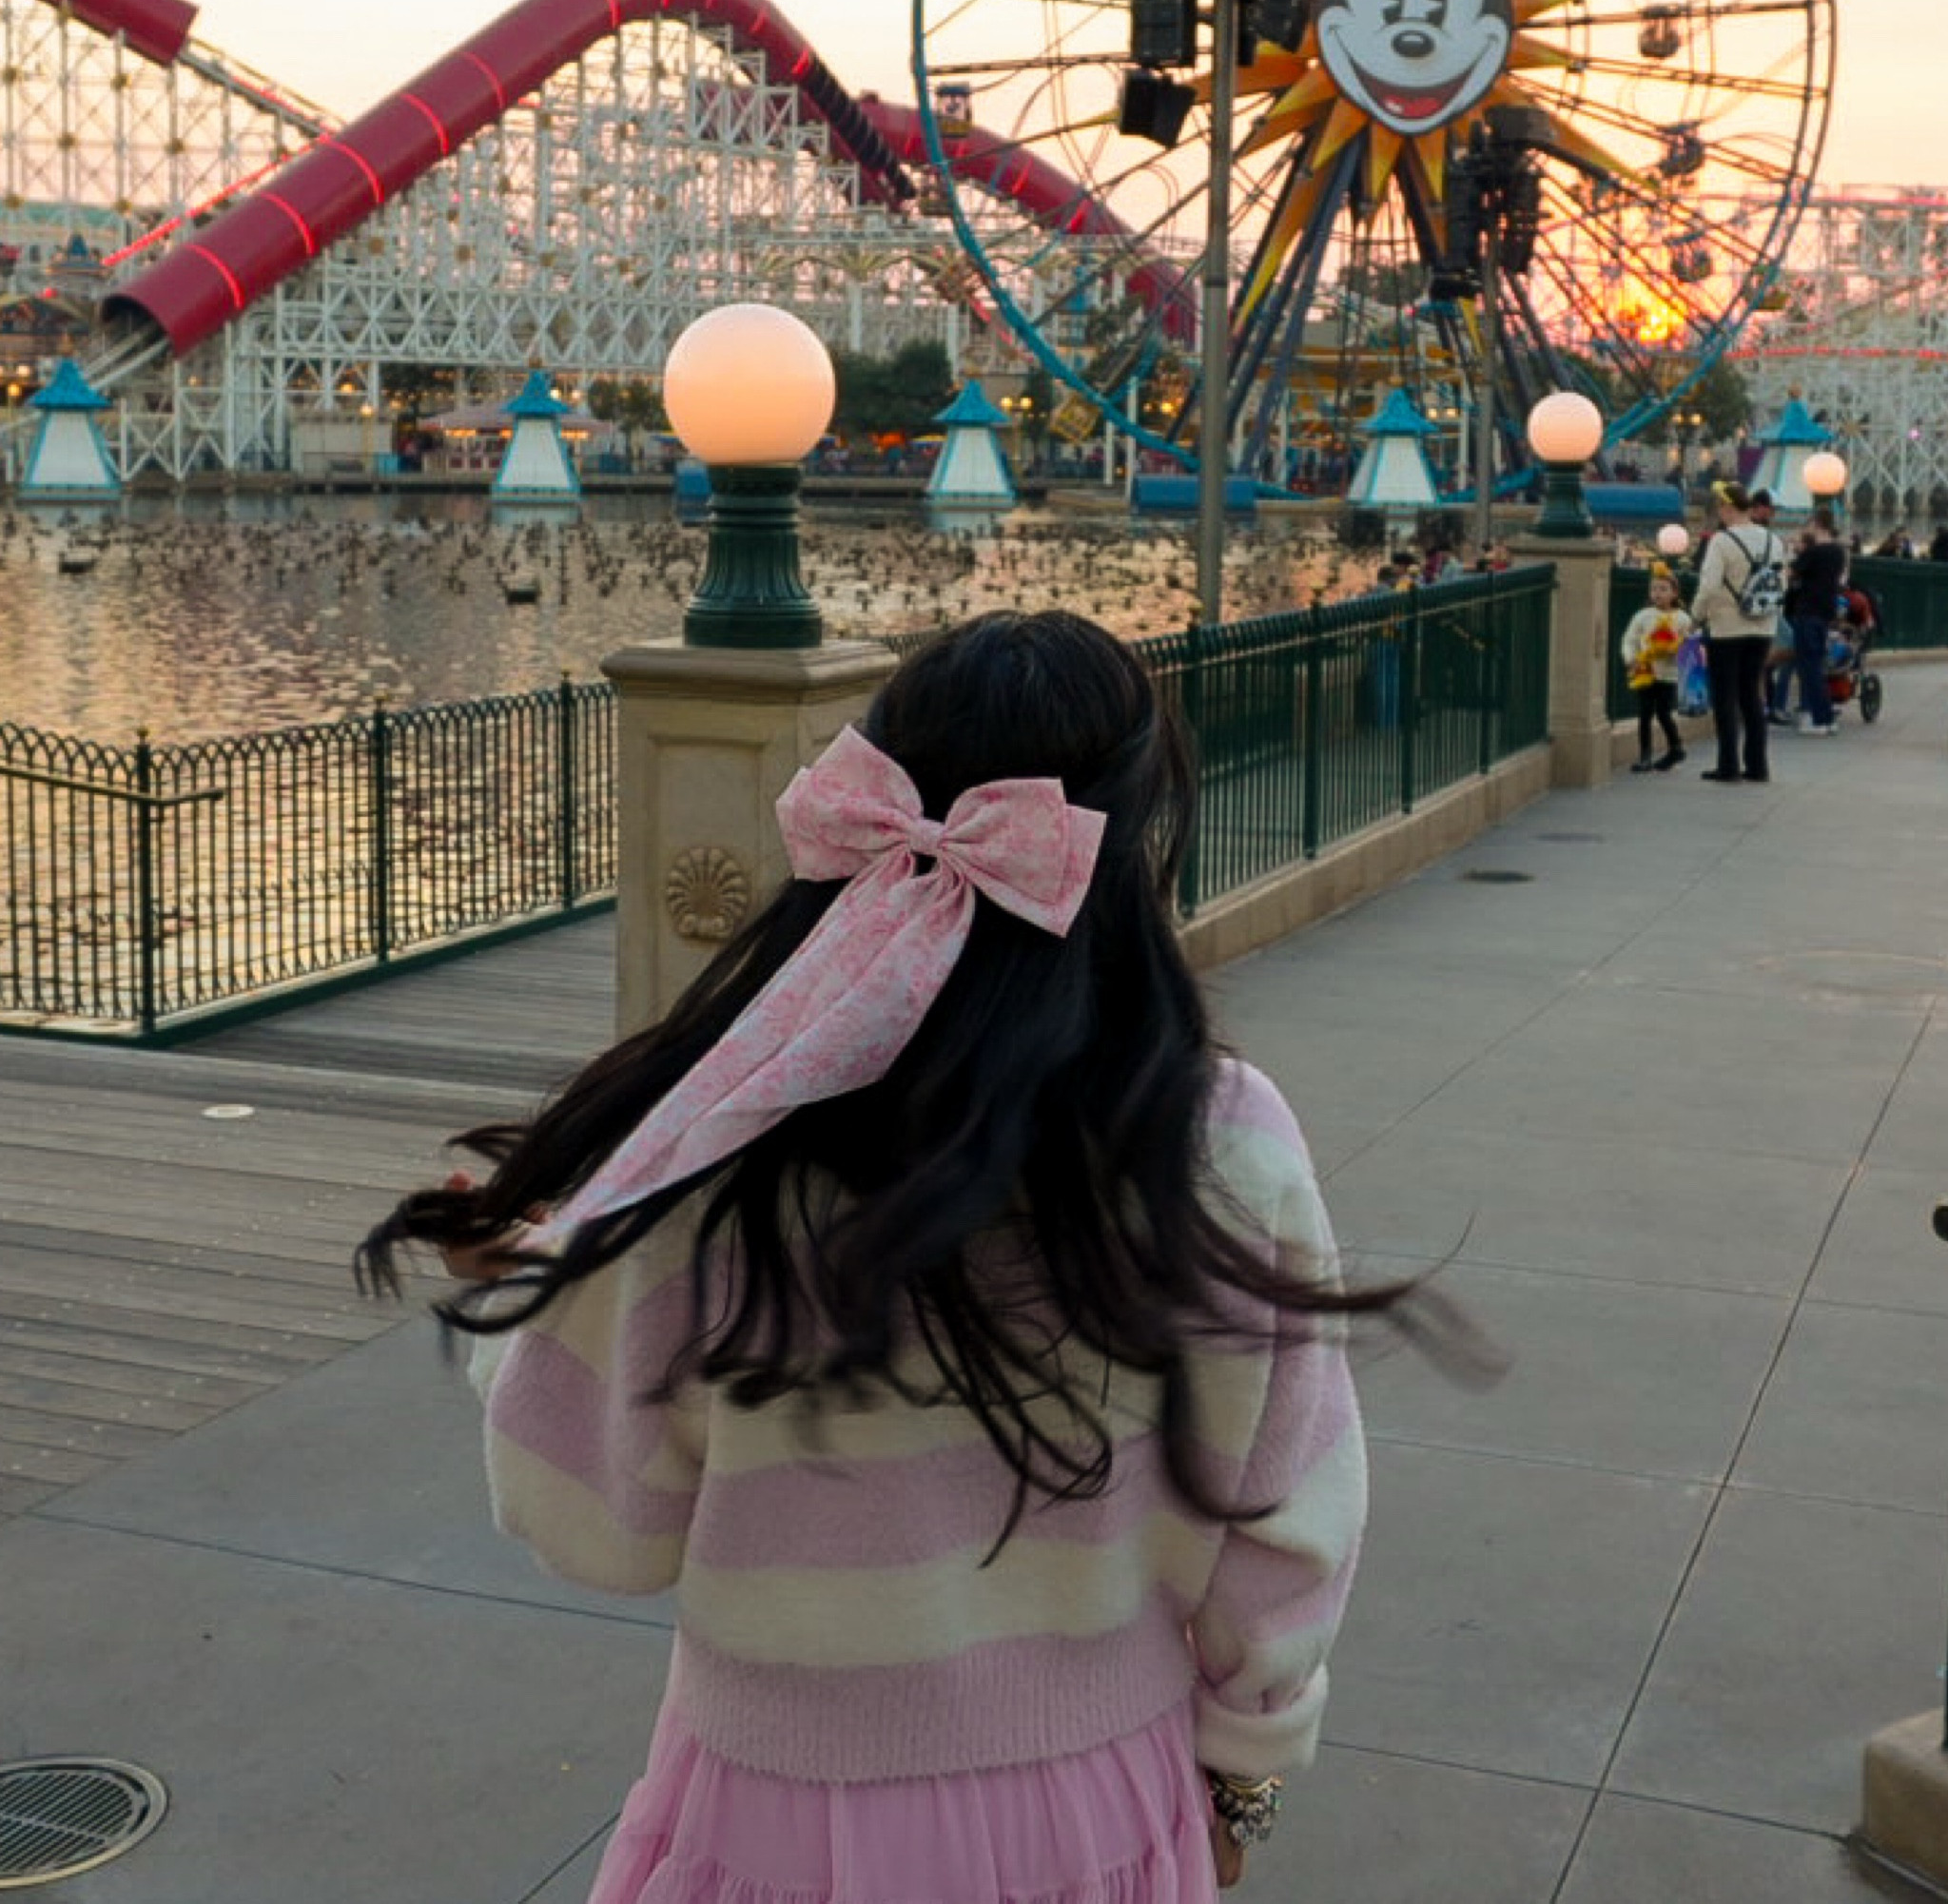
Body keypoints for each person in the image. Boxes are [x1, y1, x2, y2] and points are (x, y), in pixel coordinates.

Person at [360, 613, 1443, 1904]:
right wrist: (1245, 1776)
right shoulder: (1219, 1139)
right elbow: (1287, 1521)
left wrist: (558, 1301)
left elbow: (593, 1525)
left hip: (773, 1810)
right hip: (1098, 1804)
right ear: (1136, 842)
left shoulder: (726, 1156)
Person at [1692, 482, 1786, 783]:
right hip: (1762, 626)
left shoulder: (1722, 541)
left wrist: (1696, 617)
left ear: (1728, 508)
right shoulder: (1774, 540)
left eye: (1720, 508)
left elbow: (1708, 586)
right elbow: (1781, 584)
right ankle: (1758, 766)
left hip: (1726, 627)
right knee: (1751, 695)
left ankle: (1728, 765)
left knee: (1725, 697)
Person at [1620, 563, 1694, 772]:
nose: (1658, 593)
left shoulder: (1682, 618)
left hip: (1668, 674)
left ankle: (1676, 746)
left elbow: (1688, 645)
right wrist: (1630, 658)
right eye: (1654, 589)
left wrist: (1677, 649)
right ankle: (1645, 755)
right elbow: (1630, 639)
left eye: (1663, 589)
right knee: (1644, 713)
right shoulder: (1643, 616)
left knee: (1663, 713)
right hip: (1645, 670)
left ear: (1674, 593)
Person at [1785, 512, 1847, 735]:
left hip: (1807, 610)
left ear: (1817, 525)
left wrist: (1794, 551)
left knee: (1808, 667)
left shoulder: (1814, 552)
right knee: (1817, 665)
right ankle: (1825, 716)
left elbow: (1790, 573)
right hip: (1825, 611)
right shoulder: (1838, 552)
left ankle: (1819, 718)